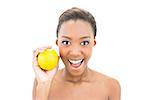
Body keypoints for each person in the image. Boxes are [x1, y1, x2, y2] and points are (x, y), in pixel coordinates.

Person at [32, 7, 121, 100]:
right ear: (57, 43)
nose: (75, 53)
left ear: (93, 43)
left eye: (84, 42)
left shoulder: (111, 87)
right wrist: (43, 85)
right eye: (66, 42)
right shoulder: (42, 83)